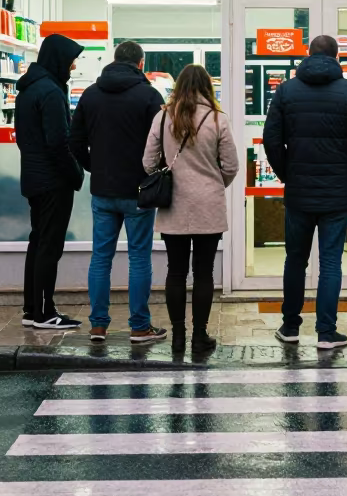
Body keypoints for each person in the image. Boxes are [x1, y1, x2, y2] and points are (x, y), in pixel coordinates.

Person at [262, 34, 347, 350]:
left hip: (299, 191)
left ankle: (290, 326)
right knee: (330, 262)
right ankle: (326, 331)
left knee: (295, 259)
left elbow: (272, 139)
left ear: (307, 55)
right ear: (337, 57)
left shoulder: (286, 91)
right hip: (337, 193)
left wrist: (288, 173)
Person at [70, 40, 166, 346]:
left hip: (103, 189)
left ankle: (98, 326)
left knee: (101, 257)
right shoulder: (149, 96)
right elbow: (162, 141)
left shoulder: (90, 94)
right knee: (139, 258)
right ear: (140, 64)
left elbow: (74, 141)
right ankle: (140, 327)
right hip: (139, 189)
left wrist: (93, 166)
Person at [143, 64, 238, 354]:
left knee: (176, 272)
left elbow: (148, 163)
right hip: (208, 204)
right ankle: (199, 336)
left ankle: (177, 336)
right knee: (204, 273)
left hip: (174, 205)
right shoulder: (218, 119)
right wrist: (212, 182)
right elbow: (232, 165)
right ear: (207, 87)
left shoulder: (162, 118)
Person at [15, 33, 85, 331]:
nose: (72, 68)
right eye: (70, 62)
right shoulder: (51, 92)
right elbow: (59, 142)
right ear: (58, 59)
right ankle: (45, 312)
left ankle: (32, 309)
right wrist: (76, 173)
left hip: (33, 178)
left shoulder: (28, 90)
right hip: (53, 181)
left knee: (37, 242)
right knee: (49, 247)